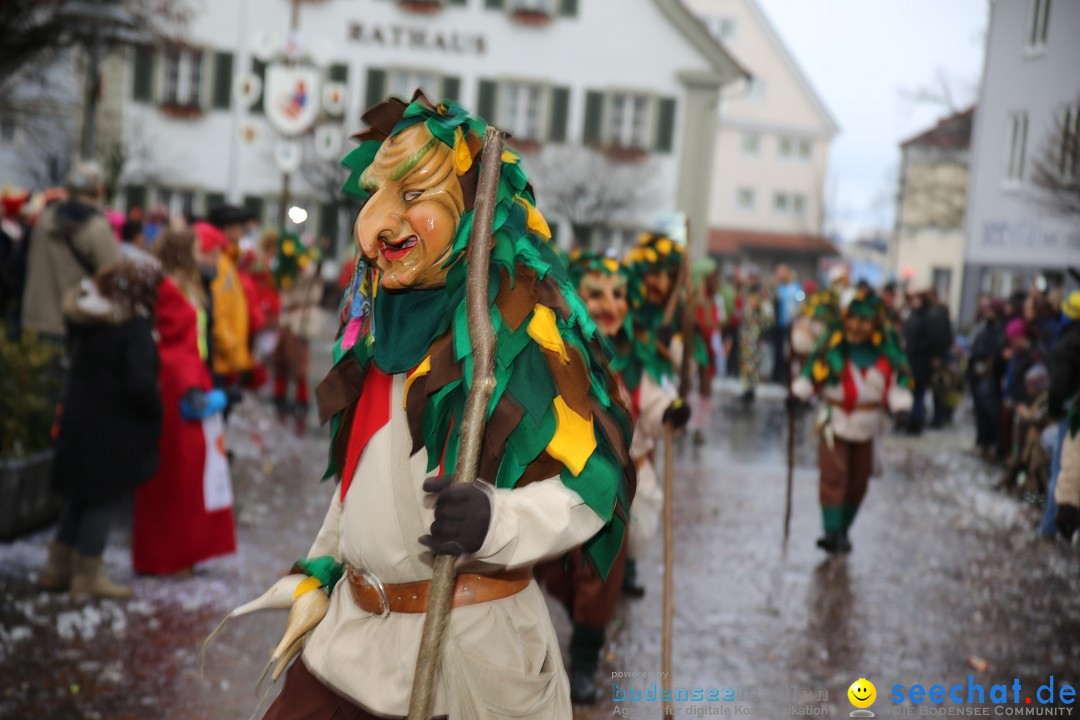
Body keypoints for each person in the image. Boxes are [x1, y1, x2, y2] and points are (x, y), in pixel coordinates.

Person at [259, 93, 634, 719]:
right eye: (375, 195)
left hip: (459, 656)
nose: (377, 224)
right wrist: (323, 565)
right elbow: (360, 474)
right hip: (345, 649)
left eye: (412, 196)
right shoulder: (380, 327)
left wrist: (497, 520)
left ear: (470, 210)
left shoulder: (522, 331)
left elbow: (593, 484)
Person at [537, 251, 687, 704]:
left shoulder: (635, 359)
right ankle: (575, 617)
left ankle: (584, 660)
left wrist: (671, 413)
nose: (609, 304)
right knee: (553, 570)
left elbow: (656, 403)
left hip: (613, 489)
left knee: (599, 578)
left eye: (618, 294)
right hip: (556, 484)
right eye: (596, 293)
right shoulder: (550, 349)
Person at [38, 261, 163, 599]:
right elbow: (140, 384)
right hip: (112, 427)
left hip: (80, 418)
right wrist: (155, 409)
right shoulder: (132, 326)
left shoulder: (89, 319)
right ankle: (87, 575)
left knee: (78, 495)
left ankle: (57, 567)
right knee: (102, 498)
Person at [133, 229, 236, 576]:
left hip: (191, 376)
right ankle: (167, 556)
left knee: (191, 473)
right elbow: (176, 340)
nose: (201, 254)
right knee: (176, 474)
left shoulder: (185, 287)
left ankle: (183, 552)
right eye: (195, 249)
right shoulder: (170, 289)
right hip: (181, 381)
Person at [792, 288, 913, 553]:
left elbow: (896, 385)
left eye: (864, 321)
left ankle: (844, 529)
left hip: (867, 425)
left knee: (858, 481)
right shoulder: (832, 349)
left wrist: (901, 407)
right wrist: (798, 394)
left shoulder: (885, 357)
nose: (856, 327)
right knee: (833, 476)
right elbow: (812, 374)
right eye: (853, 320)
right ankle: (831, 531)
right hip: (834, 422)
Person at [21, 162, 122, 341]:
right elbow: (114, 277)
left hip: (34, 320)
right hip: (74, 324)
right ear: (99, 191)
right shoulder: (97, 228)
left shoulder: (44, 220)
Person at [271, 233, 322, 434]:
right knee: (280, 359)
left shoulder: (307, 270)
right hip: (287, 318)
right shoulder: (287, 269)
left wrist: (304, 264)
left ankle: (301, 402)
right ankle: (280, 397)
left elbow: (309, 276)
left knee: (298, 363)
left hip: (299, 320)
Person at [1049, 291, 1080, 540]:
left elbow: (1058, 387)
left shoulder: (1066, 344)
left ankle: (1048, 527)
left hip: (1072, 415)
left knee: (1061, 472)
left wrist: (1053, 409)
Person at [772, 263, 802, 384]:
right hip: (780, 323)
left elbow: (801, 301)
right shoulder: (779, 288)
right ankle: (777, 375)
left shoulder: (796, 287)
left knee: (789, 351)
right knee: (778, 350)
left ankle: (787, 375)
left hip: (792, 324)